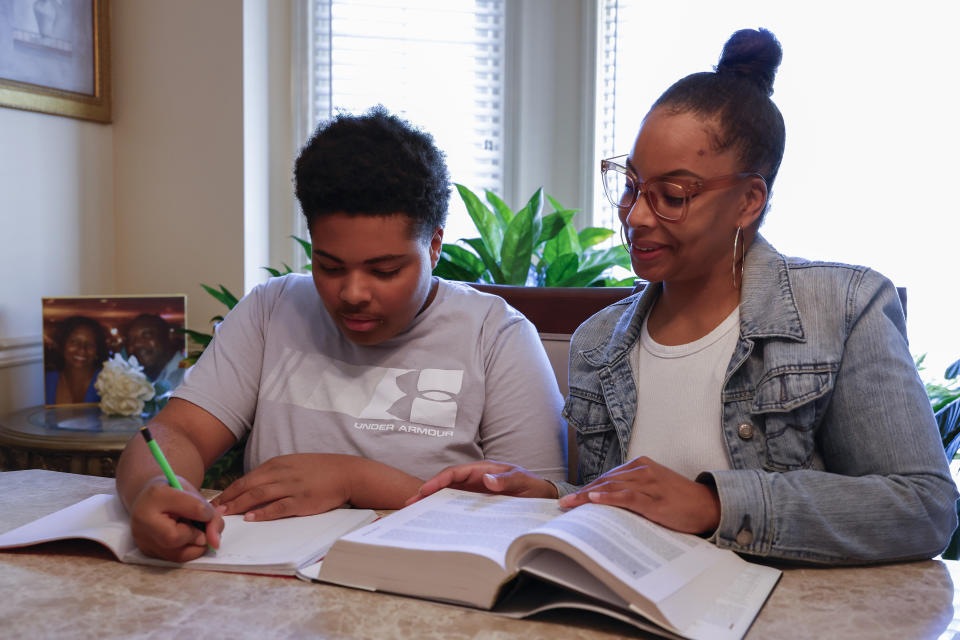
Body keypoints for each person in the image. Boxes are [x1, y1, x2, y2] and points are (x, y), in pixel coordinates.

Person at [410, 29, 959, 565]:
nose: (636, 217)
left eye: (672, 195)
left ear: (748, 200)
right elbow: (617, 505)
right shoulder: (598, 344)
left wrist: (714, 503)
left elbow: (923, 508)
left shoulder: (842, 309)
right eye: (631, 186)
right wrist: (550, 499)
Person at [115, 106, 567, 561]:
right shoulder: (272, 310)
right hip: (265, 592)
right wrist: (154, 488)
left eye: (385, 270)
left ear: (434, 245)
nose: (352, 294)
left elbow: (531, 516)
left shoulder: (497, 336)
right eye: (329, 266)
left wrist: (356, 481)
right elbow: (179, 434)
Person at [44, 315, 109, 405]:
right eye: (74, 342)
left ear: (97, 350)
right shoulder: (45, 381)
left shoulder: (109, 381)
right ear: (62, 345)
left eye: (90, 344)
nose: (82, 349)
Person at [123, 313, 185, 391]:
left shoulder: (190, 375)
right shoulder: (134, 379)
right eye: (131, 339)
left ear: (168, 337)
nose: (137, 344)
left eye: (147, 335)